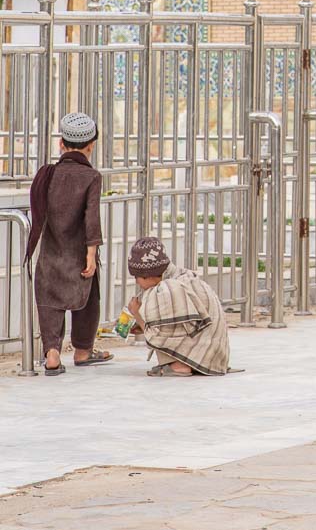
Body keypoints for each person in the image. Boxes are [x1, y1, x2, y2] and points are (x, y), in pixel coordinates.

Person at [26, 112, 110, 376]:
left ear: (61, 144)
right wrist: (91, 253)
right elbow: (91, 217)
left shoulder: (48, 174)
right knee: (88, 298)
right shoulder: (91, 177)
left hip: (51, 251)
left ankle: (52, 353)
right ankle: (83, 350)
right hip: (78, 252)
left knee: (49, 300)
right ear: (91, 146)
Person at [125, 237, 231, 377]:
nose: (137, 283)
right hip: (213, 355)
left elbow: (158, 334)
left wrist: (137, 315)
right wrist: (140, 325)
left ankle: (179, 366)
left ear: (147, 276)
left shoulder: (168, 289)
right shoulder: (183, 276)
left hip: (205, 356)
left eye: (136, 277)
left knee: (158, 331)